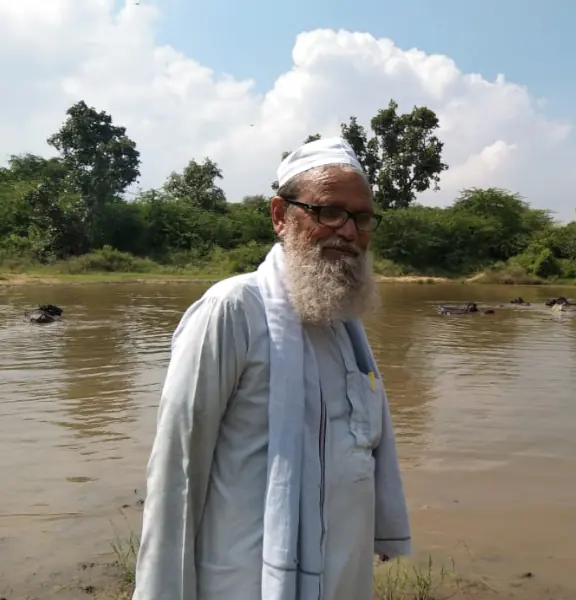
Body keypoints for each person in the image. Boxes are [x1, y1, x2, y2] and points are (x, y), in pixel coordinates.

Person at [132, 137, 411, 600]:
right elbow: (177, 470)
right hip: (245, 581)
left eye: (362, 218)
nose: (348, 231)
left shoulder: (344, 325)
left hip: (344, 579)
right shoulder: (232, 309)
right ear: (280, 215)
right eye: (329, 212)